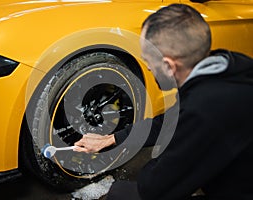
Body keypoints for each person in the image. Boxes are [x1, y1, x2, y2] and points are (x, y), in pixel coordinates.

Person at [74, 3, 253, 200]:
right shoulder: (230, 67)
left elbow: (154, 189)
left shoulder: (207, 110)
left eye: (148, 61)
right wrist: (113, 138)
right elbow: (171, 120)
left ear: (168, 66)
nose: (148, 68)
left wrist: (110, 192)